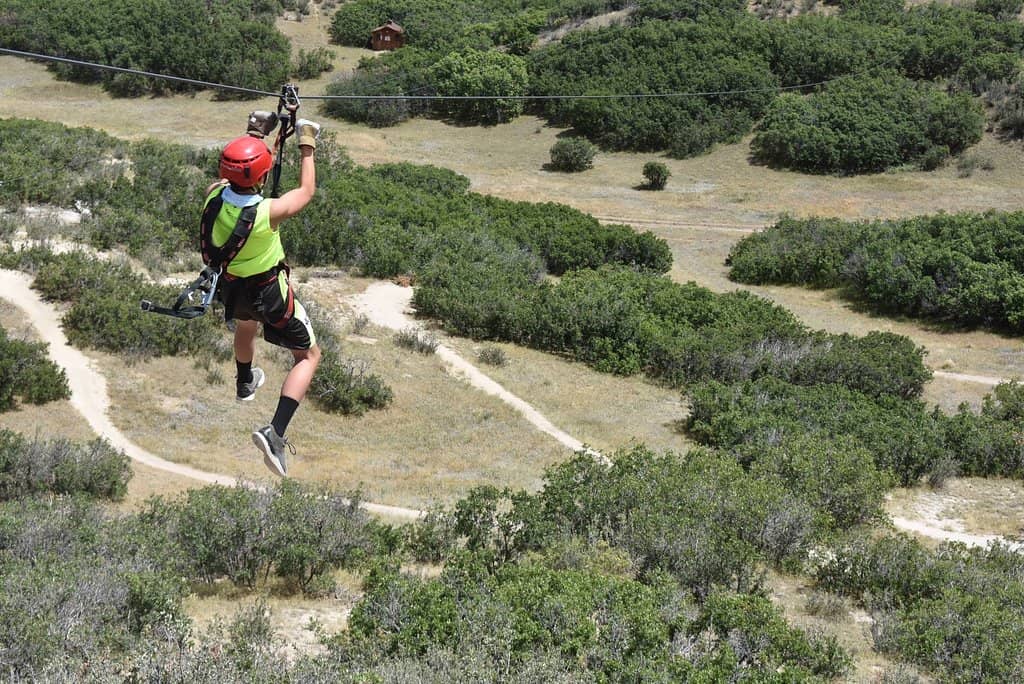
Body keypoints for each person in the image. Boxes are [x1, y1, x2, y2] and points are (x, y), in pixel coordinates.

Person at [202, 118, 321, 477]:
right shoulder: (267, 213)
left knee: (245, 326)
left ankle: (244, 381)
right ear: (263, 176)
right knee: (309, 355)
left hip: (232, 288)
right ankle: (276, 432)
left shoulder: (212, 196)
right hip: (269, 292)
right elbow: (306, 191)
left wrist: (256, 133)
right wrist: (307, 144)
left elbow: (232, 176)